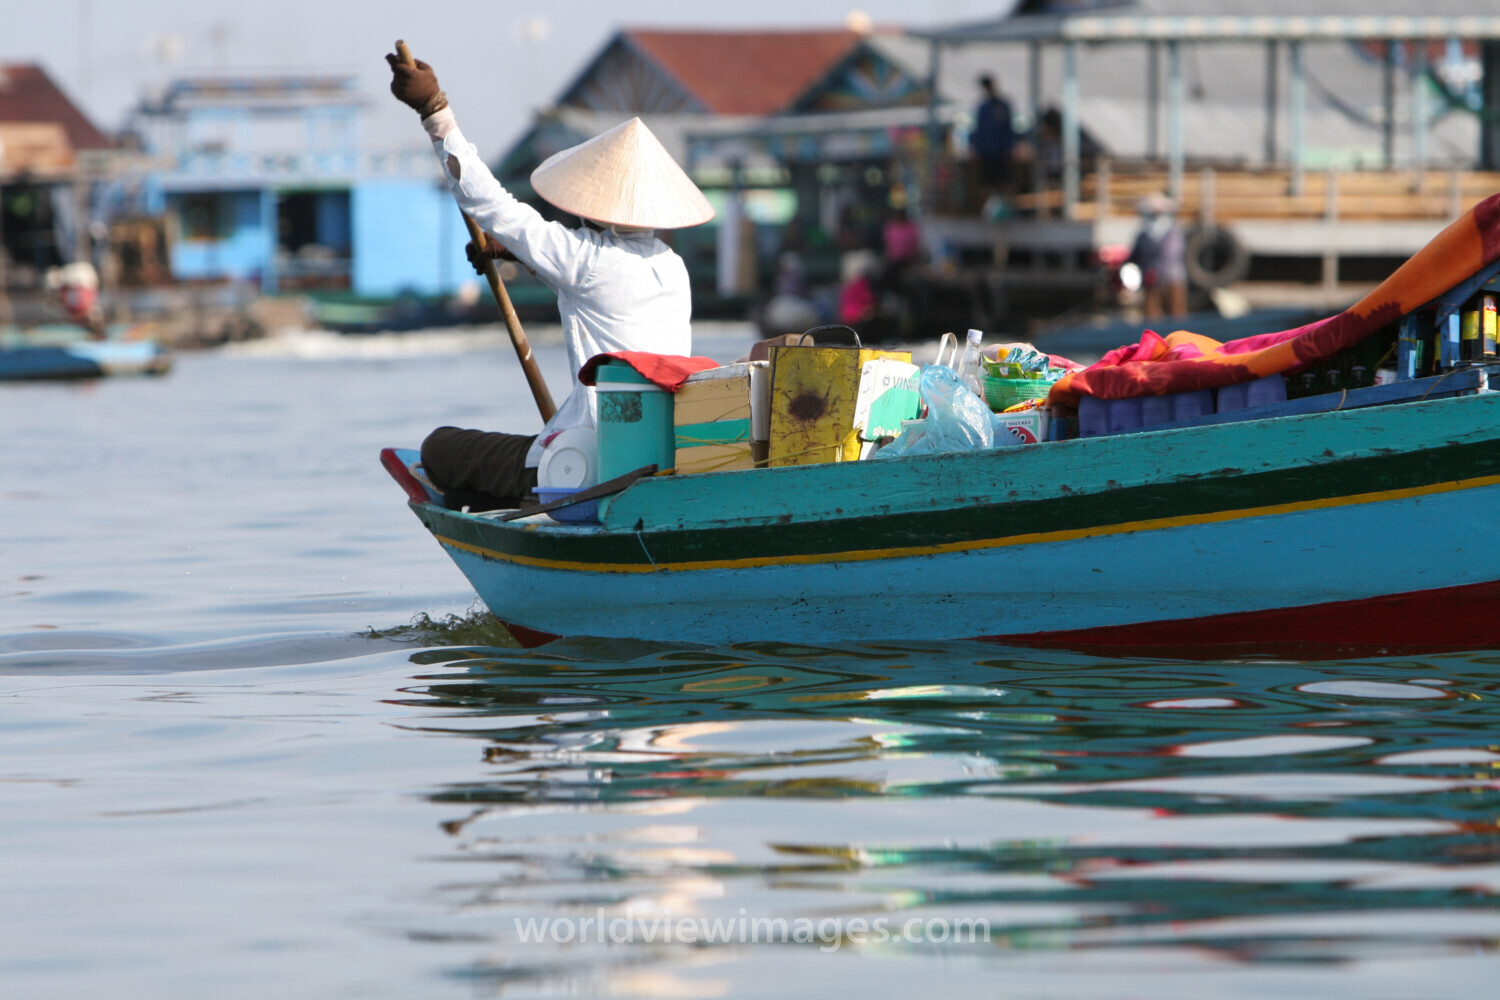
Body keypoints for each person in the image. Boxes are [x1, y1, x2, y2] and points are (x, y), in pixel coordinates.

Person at [385, 50, 714, 509]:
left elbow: (492, 207)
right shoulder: (671, 268)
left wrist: (436, 112)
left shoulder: (587, 261)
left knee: (440, 447)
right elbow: (593, 284)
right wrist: (508, 251)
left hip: (590, 460)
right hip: (658, 451)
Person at [1127, 192, 1188, 319]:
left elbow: (1171, 254)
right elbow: (1135, 256)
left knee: (1176, 313)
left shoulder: (1173, 233)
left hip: (1172, 279)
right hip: (1150, 281)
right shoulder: (1143, 236)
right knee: (1151, 315)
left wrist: (1155, 271)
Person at [970, 75, 1015, 206]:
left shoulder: (1002, 105)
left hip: (1000, 151)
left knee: (1003, 180)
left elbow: (1008, 129)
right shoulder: (983, 107)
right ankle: (991, 209)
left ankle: (1005, 207)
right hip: (987, 151)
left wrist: (1009, 147)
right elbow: (979, 130)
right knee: (988, 181)